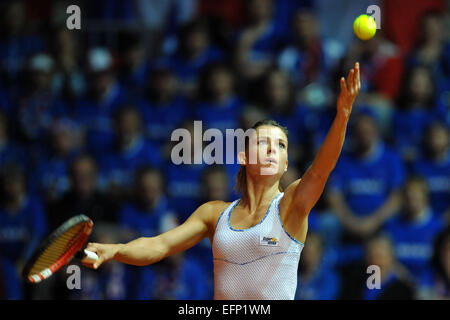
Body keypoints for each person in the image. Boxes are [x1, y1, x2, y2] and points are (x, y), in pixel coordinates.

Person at [82, 62, 361, 300]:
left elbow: (321, 170)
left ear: (286, 164)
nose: (271, 150)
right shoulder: (214, 213)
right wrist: (115, 250)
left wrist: (342, 117)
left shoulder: (291, 205)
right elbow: (160, 246)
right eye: (262, 142)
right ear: (243, 156)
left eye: (281, 146)